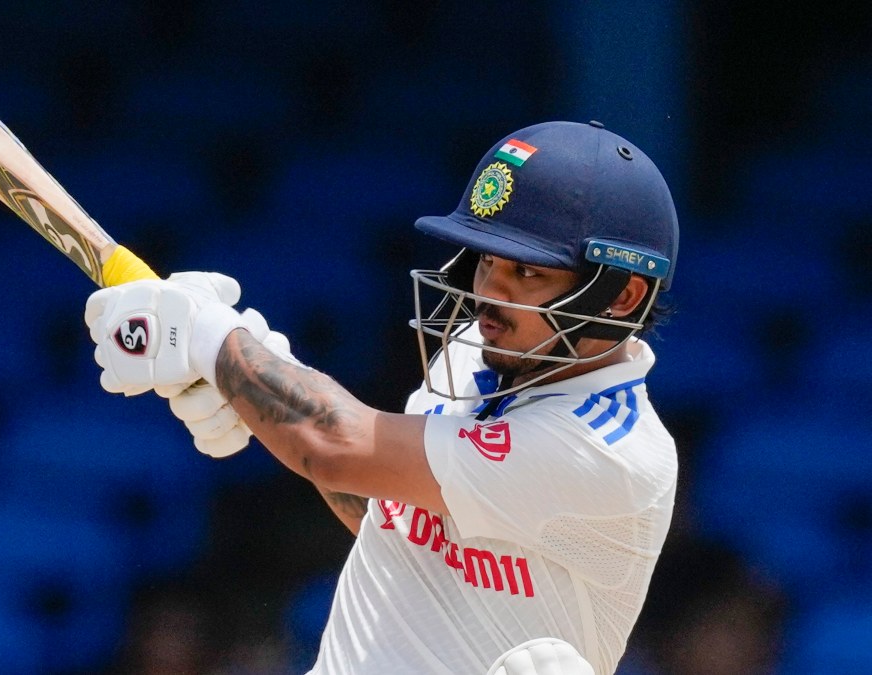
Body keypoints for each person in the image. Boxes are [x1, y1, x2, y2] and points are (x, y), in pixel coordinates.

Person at [84, 120, 679, 675]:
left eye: (528, 274)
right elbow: (390, 513)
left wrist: (213, 341)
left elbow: (338, 447)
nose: (487, 294)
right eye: (488, 261)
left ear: (621, 296)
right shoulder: (480, 349)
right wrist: (257, 388)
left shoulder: (608, 450)